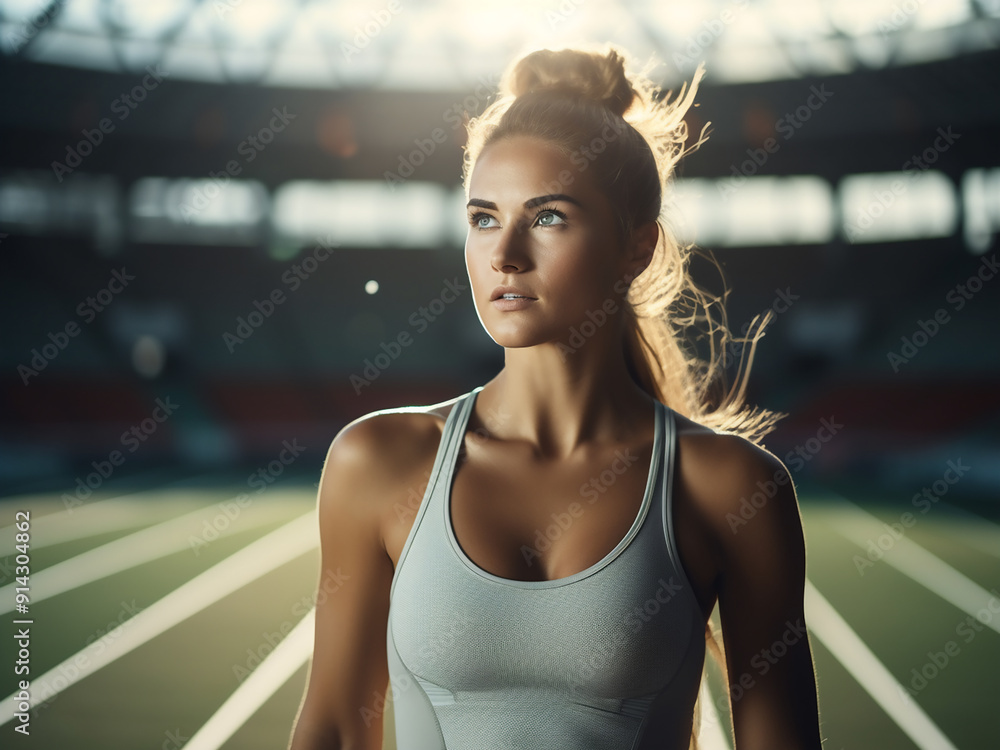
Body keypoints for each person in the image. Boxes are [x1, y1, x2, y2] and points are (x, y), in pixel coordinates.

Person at [288, 44, 822, 750]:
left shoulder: (731, 488)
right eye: (483, 218)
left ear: (638, 249)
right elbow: (332, 727)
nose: (505, 252)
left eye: (547, 218)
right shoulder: (377, 462)